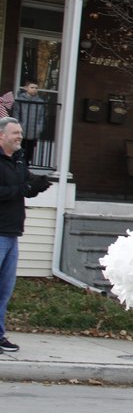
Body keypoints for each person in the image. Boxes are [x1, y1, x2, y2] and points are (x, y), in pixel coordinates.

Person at [0, 117, 50, 353]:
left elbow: (26, 185)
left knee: (4, 290)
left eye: (20, 132)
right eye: (15, 133)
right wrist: (22, 189)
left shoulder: (18, 159)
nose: (20, 136)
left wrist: (38, 184)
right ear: (2, 136)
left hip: (12, 233)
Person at [11, 79, 45, 166]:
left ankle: (25, 169)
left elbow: (42, 117)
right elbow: (16, 115)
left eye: (36, 88)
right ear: (26, 88)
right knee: (18, 153)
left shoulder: (40, 102)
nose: (34, 89)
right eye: (32, 87)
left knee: (29, 154)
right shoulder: (19, 100)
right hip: (21, 131)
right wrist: (18, 126)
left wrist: (39, 128)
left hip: (33, 132)